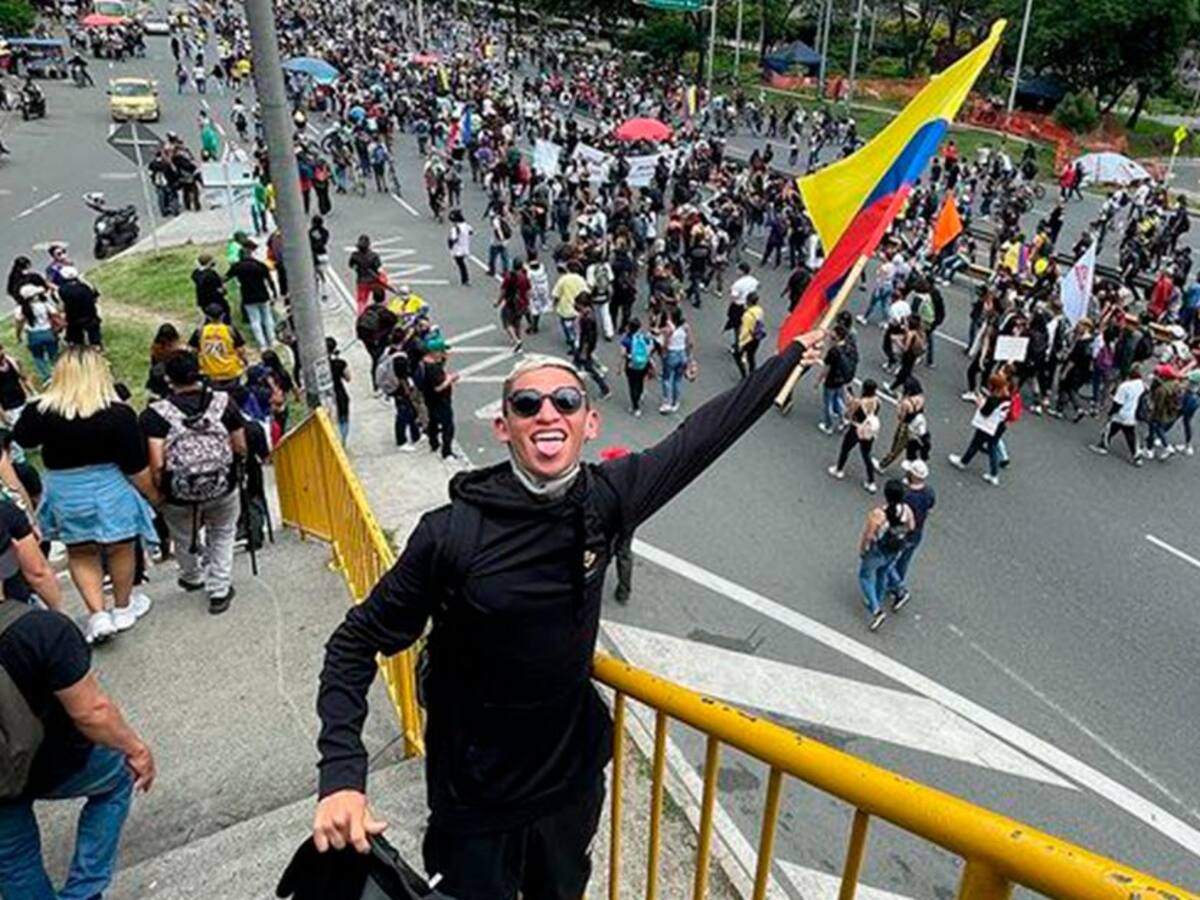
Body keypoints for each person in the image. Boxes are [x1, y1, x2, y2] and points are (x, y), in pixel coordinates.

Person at [311, 330, 825, 900]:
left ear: (589, 422)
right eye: (527, 404)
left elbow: (698, 440)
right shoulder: (449, 534)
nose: (548, 413)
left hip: (569, 790)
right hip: (476, 804)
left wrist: (788, 361)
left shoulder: (606, 497)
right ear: (503, 426)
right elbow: (353, 643)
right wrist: (341, 777)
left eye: (566, 400)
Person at [0, 597, 154, 899]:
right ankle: (83, 892)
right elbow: (92, 712)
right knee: (120, 776)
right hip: (58, 759)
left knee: (14, 859)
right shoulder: (39, 628)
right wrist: (136, 749)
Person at [13, 348, 161, 644]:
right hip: (110, 486)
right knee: (121, 547)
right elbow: (135, 465)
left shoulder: (41, 410)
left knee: (80, 552)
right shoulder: (118, 414)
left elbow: (22, 437)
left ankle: (97, 614)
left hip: (65, 490)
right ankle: (122, 607)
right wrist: (153, 495)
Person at [141, 352, 247, 614]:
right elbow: (240, 445)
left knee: (183, 534)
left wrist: (160, 492)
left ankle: (192, 575)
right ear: (199, 372)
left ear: (168, 379)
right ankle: (219, 588)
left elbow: (156, 463)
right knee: (222, 531)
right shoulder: (223, 403)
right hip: (222, 484)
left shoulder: (154, 415)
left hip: (178, 492)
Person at [856, 478, 915, 632]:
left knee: (865, 576)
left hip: (878, 550)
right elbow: (911, 526)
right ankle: (878, 597)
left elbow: (869, 535)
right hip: (895, 549)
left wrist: (863, 549)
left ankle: (876, 610)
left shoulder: (879, 514)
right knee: (883, 573)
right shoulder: (906, 509)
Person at [888, 459, 935, 611]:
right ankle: (894, 586)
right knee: (904, 561)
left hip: (903, 532)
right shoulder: (929, 492)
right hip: (918, 532)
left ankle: (899, 588)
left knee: (887, 561)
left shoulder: (906, 495)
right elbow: (929, 509)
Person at [949, 373, 1012, 485]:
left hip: (987, 426)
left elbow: (984, 412)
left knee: (975, 444)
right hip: (999, 426)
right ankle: (994, 474)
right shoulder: (1007, 396)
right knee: (992, 448)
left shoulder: (993, 399)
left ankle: (963, 462)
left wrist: (980, 402)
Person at [828, 380, 881, 493]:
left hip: (856, 429)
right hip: (869, 430)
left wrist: (850, 402)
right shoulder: (877, 401)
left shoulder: (858, 402)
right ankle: (871, 481)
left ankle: (839, 469)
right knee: (866, 454)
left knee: (845, 449)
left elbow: (849, 415)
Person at [1089, 365, 1147, 465]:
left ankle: (1102, 446)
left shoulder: (1124, 387)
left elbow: (1118, 404)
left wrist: (1110, 413)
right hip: (1131, 414)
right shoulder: (1140, 385)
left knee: (1108, 430)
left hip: (1120, 414)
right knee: (1130, 435)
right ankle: (1136, 456)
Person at [225, 247, 277, 350]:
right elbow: (269, 280)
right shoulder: (259, 265)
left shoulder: (237, 267)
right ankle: (272, 339)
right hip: (263, 295)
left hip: (248, 296)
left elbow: (226, 278)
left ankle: (262, 344)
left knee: (255, 321)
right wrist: (274, 293)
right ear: (251, 254)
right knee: (267, 317)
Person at [418, 334, 458, 460]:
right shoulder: (433, 369)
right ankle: (447, 452)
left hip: (429, 398)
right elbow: (438, 387)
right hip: (440, 400)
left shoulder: (424, 362)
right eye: (441, 350)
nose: (444, 353)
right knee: (448, 426)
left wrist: (443, 359)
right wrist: (451, 379)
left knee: (433, 422)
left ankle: (434, 444)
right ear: (434, 352)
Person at [190, 303, 248, 389]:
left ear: (207, 317)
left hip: (210, 373)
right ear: (223, 315)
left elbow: (193, 351)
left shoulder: (200, 332)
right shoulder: (230, 330)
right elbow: (241, 350)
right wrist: (245, 361)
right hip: (231, 371)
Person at [659, 305, 693, 414]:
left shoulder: (669, 329)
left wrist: (663, 354)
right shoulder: (685, 327)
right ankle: (675, 402)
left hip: (672, 353)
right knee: (678, 379)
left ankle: (666, 402)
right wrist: (689, 357)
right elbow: (690, 342)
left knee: (666, 378)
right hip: (682, 353)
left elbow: (666, 344)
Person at [57, 266, 102, 347]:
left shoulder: (62, 290)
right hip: (90, 316)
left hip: (74, 319)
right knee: (95, 339)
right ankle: (97, 351)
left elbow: (61, 306)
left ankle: (79, 353)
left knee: (77, 341)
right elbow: (95, 295)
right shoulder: (86, 286)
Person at [620, 318, 653, 417]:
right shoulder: (643, 337)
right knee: (640, 381)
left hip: (631, 365)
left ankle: (636, 407)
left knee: (632, 385)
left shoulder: (626, 339)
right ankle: (640, 394)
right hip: (643, 364)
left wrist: (628, 357)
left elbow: (623, 354)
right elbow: (650, 348)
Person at [552, 263, 588, 352]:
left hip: (565, 308)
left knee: (566, 326)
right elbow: (587, 292)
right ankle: (577, 342)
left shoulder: (563, 279)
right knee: (578, 327)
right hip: (578, 308)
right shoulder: (581, 279)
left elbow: (556, 294)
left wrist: (554, 304)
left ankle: (571, 341)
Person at [348, 235, 384, 315]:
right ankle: (378, 315)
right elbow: (379, 269)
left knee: (361, 301)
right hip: (374, 281)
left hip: (361, 281)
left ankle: (361, 316)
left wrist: (358, 268)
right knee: (378, 299)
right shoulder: (374, 255)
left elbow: (351, 265)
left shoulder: (355, 255)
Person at [734, 292, 765, 378]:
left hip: (748, 339)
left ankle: (744, 375)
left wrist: (740, 343)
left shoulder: (747, 315)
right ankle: (752, 374)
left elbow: (745, 331)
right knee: (751, 356)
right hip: (756, 338)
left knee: (737, 355)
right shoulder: (759, 310)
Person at [327, 337, 351, 445]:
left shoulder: (320, 365)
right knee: (343, 418)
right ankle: (342, 440)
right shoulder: (340, 363)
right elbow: (348, 378)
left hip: (327, 395)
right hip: (340, 392)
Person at [191, 253, 229, 320]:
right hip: (215, 300)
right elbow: (220, 288)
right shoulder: (211, 275)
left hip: (202, 301)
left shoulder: (196, 273)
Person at [447, 210, 474, 286]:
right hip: (465, 247)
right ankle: (465, 279)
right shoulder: (466, 225)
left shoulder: (455, 228)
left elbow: (453, 238)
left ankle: (465, 279)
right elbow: (471, 232)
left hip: (458, 249)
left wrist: (450, 245)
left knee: (461, 264)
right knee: (462, 264)